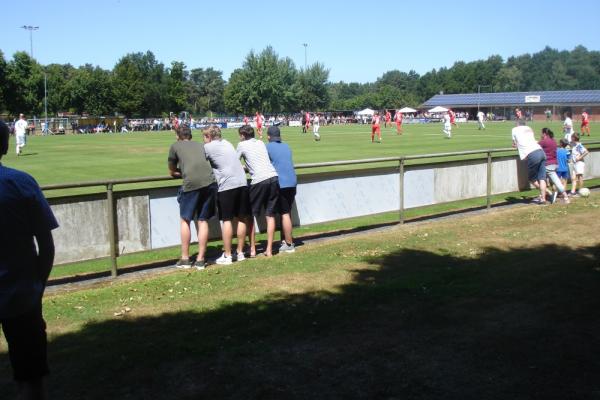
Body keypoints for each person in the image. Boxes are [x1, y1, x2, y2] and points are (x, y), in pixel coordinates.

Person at [0, 120, 58, 400]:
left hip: (19, 292)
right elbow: (46, 244)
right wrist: (38, 289)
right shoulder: (20, 183)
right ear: (5, 144)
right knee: (31, 380)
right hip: (20, 293)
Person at [167, 125, 217, 270]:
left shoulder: (175, 146)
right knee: (202, 220)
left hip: (191, 184)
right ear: (190, 135)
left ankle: (185, 258)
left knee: (185, 220)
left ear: (178, 136)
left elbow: (171, 170)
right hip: (210, 182)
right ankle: (201, 260)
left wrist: (181, 172)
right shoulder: (201, 145)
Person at [202, 126, 250, 265]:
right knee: (241, 218)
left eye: (204, 137)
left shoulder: (209, 147)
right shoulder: (227, 143)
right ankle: (240, 253)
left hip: (227, 186)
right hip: (241, 182)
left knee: (227, 220)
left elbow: (199, 160)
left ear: (209, 137)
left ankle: (228, 255)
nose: (204, 140)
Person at [237, 125, 279, 257]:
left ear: (243, 135)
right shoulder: (261, 142)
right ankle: (269, 249)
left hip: (259, 180)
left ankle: (253, 249)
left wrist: (245, 166)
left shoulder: (241, 145)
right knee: (270, 215)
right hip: (273, 177)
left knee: (249, 215)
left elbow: (233, 161)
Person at [266, 125, 297, 253]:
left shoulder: (266, 147)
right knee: (287, 212)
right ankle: (287, 240)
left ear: (268, 136)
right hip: (292, 181)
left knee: (284, 213)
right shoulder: (286, 146)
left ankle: (289, 244)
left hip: (281, 183)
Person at [512, 122, 547, 204]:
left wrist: (516, 146)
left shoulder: (515, 129)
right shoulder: (529, 128)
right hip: (541, 151)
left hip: (532, 154)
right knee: (542, 178)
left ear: (517, 124)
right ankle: (543, 198)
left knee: (532, 179)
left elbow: (514, 144)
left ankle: (547, 192)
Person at [538, 128, 569, 204]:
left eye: (541, 133)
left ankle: (545, 196)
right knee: (555, 181)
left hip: (546, 164)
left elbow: (536, 147)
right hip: (554, 163)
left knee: (541, 180)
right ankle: (565, 197)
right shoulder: (553, 141)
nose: (541, 135)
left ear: (544, 134)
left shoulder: (544, 141)